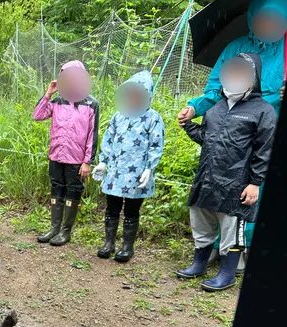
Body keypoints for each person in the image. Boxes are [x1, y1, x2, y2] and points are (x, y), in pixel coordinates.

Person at [177, 0, 286, 264]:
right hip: (233, 130)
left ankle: (245, 249)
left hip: (268, 130)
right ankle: (218, 246)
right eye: (262, 19)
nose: (268, 25)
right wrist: (194, 108)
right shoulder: (236, 47)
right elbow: (216, 90)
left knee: (256, 188)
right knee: (222, 184)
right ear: (251, 19)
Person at [177, 53, 276, 291]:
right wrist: (187, 125)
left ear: (254, 78)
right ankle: (199, 263)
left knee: (232, 228)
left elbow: (265, 149)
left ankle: (227, 273)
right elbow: (206, 138)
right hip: (207, 179)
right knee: (201, 222)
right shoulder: (216, 108)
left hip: (237, 184)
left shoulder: (263, 111)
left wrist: (255, 183)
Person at [92, 71, 165, 262]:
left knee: (132, 210)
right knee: (112, 207)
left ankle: (127, 247)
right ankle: (109, 243)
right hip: (115, 172)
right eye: (130, 93)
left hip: (137, 173)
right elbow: (108, 140)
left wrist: (150, 168)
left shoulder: (153, 118)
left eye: (138, 94)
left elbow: (156, 145)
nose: (134, 97)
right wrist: (102, 162)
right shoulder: (119, 116)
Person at [33, 61, 100, 246]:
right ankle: (54, 228)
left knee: (73, 191)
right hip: (56, 155)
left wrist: (88, 161)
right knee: (57, 189)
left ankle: (65, 231)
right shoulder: (57, 101)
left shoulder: (90, 103)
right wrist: (48, 93)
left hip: (76, 159)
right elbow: (37, 115)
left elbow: (92, 134)